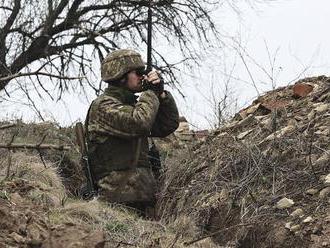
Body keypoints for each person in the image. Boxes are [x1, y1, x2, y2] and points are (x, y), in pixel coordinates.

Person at [85, 49, 179, 214]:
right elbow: (139, 123)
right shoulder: (103, 107)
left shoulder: (133, 106)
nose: (143, 76)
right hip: (116, 202)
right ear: (121, 76)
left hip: (141, 198)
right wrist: (150, 93)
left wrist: (162, 95)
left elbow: (168, 125)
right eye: (138, 72)